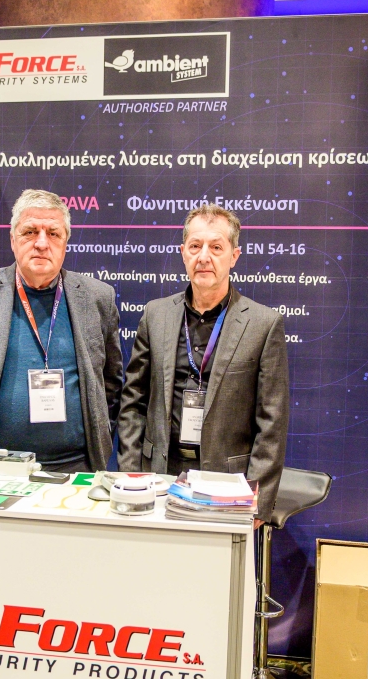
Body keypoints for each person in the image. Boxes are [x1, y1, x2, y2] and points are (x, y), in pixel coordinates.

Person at [117, 204, 289, 524]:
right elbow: (133, 402)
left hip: (227, 486)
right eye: (195, 246)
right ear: (183, 253)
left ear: (234, 256)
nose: (204, 257)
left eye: (216, 247)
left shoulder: (263, 325)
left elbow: (271, 424)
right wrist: (130, 474)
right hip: (158, 477)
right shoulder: (155, 315)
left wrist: (257, 501)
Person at [0, 189, 123, 473]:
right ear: (13, 240)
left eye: (53, 233)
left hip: (76, 466)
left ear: (66, 242)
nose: (41, 243)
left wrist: (102, 436)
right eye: (30, 232)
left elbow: (111, 381)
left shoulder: (98, 298)